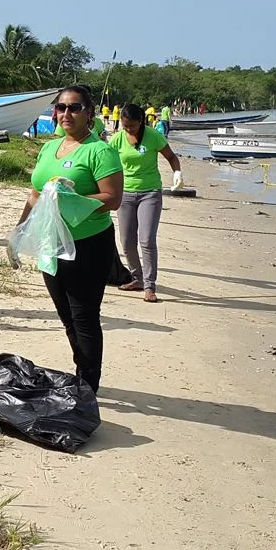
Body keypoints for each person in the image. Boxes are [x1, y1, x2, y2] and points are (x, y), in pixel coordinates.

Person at [16, 85, 122, 392]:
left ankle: (88, 385)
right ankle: (82, 371)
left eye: (74, 108)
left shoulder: (99, 151)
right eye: (61, 107)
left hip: (88, 245)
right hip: (52, 243)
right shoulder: (49, 148)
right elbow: (36, 192)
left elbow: (113, 198)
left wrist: (71, 199)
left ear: (89, 113)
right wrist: (20, 228)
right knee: (66, 316)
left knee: (85, 316)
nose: (66, 113)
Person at [109, 103, 183, 304]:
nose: (129, 129)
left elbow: (171, 157)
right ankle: (137, 278)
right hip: (125, 193)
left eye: (132, 126)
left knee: (147, 240)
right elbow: (106, 161)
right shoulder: (117, 139)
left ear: (140, 121)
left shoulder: (153, 136)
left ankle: (150, 285)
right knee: (127, 241)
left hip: (149, 193)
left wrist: (177, 173)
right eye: (125, 126)